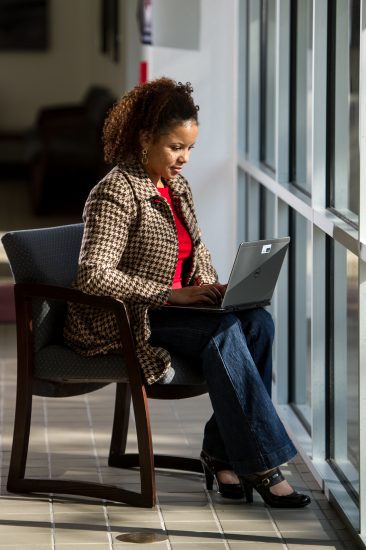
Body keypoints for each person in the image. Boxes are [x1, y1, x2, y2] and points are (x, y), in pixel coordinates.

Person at [64, 77, 311, 508]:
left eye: (190, 148)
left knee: (257, 323)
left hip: (178, 309)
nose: (184, 158)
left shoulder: (176, 187)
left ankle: (221, 454)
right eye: (176, 147)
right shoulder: (116, 191)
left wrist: (213, 287)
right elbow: (92, 276)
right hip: (131, 317)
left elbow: (194, 253)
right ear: (145, 139)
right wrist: (170, 295)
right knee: (223, 334)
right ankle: (263, 466)